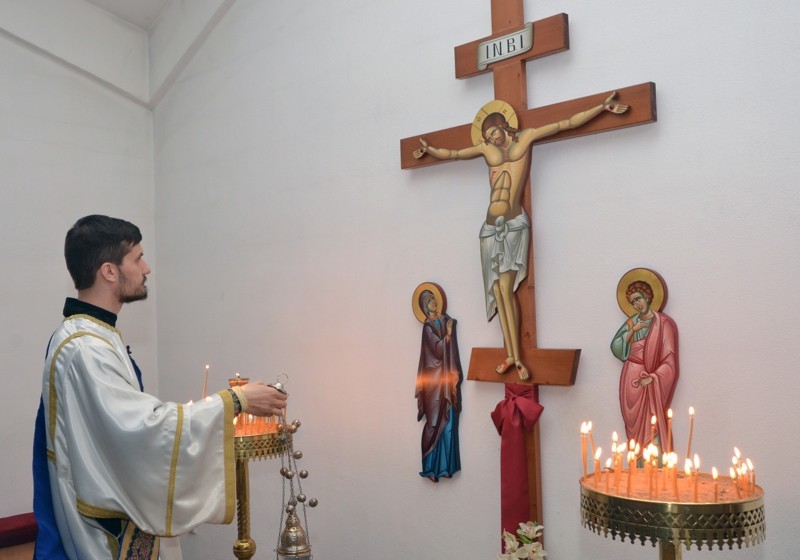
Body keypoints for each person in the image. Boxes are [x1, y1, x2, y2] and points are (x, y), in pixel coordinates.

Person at [32, 215, 288, 560]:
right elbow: (143, 430)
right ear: (109, 271)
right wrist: (236, 401)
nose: (147, 268)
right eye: (137, 258)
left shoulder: (93, 335)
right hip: (105, 535)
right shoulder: (85, 349)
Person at [413, 93, 628, 380]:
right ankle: (510, 355)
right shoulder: (487, 150)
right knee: (498, 292)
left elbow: (564, 123)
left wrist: (601, 108)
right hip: (489, 229)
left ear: (504, 125)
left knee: (506, 288)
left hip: (513, 225)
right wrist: (430, 150)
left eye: (494, 132)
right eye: (487, 136)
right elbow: (454, 154)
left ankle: (517, 357)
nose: (492, 138)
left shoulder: (525, 138)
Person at [610, 279, 679, 453]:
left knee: (652, 423)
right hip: (630, 378)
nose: (637, 304)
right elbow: (616, 347)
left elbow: (669, 360)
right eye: (633, 302)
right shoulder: (632, 322)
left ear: (647, 297)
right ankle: (637, 465)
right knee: (633, 429)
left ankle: (656, 465)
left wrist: (654, 377)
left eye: (639, 299)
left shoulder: (663, 324)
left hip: (649, 379)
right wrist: (633, 330)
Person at [414, 287, 462, 482]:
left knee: (449, 421)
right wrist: (448, 335)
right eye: (429, 301)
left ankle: (446, 467)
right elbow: (437, 349)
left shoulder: (444, 320)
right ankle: (429, 468)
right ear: (425, 308)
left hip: (446, 380)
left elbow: (449, 351)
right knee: (433, 423)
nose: (433, 302)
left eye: (433, 299)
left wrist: (449, 332)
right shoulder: (427, 327)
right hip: (432, 383)